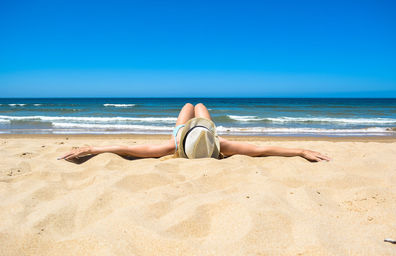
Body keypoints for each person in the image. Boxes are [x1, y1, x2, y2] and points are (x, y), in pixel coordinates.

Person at [59, 103, 331, 163]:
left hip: (184, 136)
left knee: (188, 105)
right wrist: (299, 150)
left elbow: (127, 148)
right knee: (199, 106)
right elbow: (261, 150)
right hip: (198, 137)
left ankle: (193, 111)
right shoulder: (222, 143)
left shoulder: (173, 144)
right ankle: (199, 113)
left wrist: (92, 149)